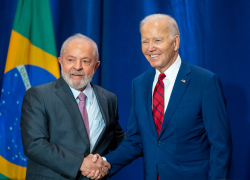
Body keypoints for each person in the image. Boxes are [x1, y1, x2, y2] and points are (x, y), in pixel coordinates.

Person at [84, 14, 232, 180]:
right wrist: (105, 162)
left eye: (157, 40)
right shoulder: (139, 84)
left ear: (175, 42)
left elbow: (220, 146)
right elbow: (136, 140)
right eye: (145, 41)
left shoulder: (205, 82)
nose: (150, 48)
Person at [21, 33, 125, 180]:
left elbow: (118, 141)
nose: (77, 66)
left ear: (96, 66)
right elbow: (34, 145)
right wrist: (81, 163)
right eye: (70, 60)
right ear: (60, 62)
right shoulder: (38, 95)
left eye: (85, 61)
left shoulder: (108, 99)